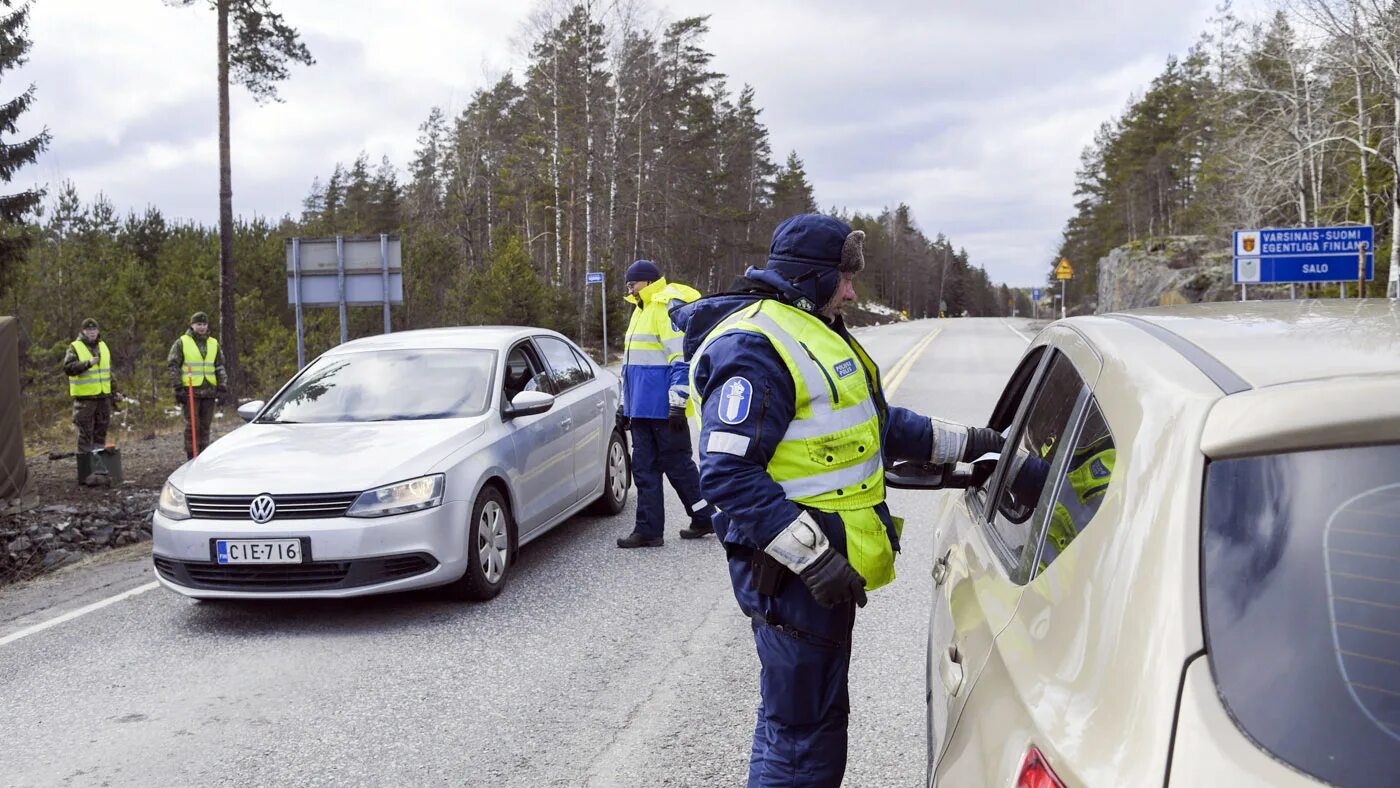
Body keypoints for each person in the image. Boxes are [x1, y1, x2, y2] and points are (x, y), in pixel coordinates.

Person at [671, 214, 1004, 786]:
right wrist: (815, 558)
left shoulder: (812, 329)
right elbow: (726, 473)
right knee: (801, 735)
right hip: (790, 574)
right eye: (843, 279)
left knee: (807, 720)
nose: (851, 291)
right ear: (809, 277)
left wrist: (974, 442)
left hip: (810, 574)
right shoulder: (756, 347)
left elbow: (878, 423)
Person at [615, 259, 716, 548]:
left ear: (647, 282)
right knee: (645, 469)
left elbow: (680, 359)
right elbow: (631, 367)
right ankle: (650, 530)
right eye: (628, 284)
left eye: (632, 283)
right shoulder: (640, 310)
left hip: (663, 408)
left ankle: (704, 516)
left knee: (678, 467)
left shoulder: (663, 306)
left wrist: (677, 403)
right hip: (643, 408)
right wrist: (626, 405)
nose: (629, 288)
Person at [167, 312, 228, 459]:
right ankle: (191, 455)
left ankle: (203, 455)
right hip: (190, 391)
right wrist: (178, 387)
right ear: (192, 325)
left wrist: (222, 386)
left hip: (209, 391)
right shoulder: (182, 342)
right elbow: (173, 365)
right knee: (192, 426)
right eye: (198, 324)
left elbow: (219, 366)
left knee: (205, 426)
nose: (201, 327)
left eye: (204, 324)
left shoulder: (213, 343)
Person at [62, 317, 118, 456]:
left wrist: (114, 392)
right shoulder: (75, 346)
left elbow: (108, 372)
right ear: (83, 331)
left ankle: (99, 464)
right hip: (85, 399)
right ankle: (86, 467)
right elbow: (68, 368)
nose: (92, 332)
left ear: (98, 331)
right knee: (85, 433)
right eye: (89, 330)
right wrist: (87, 363)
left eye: (94, 329)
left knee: (101, 431)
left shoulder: (103, 346)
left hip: (103, 397)